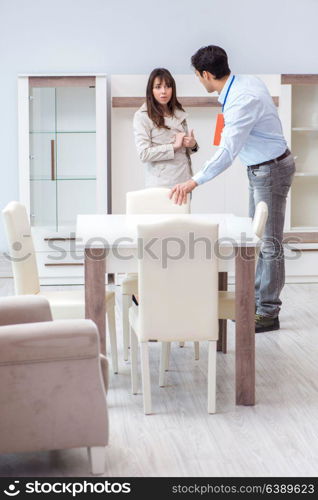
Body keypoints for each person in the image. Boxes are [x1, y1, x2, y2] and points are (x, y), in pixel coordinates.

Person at [170, 45, 295, 333]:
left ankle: (267, 312)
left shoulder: (241, 100)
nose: (198, 81)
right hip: (262, 167)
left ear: (206, 74)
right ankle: (252, 302)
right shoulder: (245, 83)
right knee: (257, 239)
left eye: (198, 76)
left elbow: (227, 152)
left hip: (271, 170)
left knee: (269, 243)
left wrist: (193, 181)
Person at [133, 67, 198, 188]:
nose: (164, 91)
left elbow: (183, 151)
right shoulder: (142, 116)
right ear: (151, 90)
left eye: (168, 86)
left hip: (184, 180)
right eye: (158, 87)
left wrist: (192, 145)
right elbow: (144, 154)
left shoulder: (179, 112)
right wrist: (173, 147)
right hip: (162, 184)